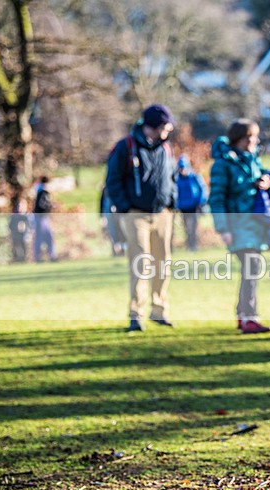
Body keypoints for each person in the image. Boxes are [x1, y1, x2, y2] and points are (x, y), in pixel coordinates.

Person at [105, 104, 177, 332]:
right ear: (153, 126)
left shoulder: (166, 147)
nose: (169, 131)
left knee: (163, 264)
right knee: (140, 263)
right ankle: (136, 313)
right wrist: (125, 207)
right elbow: (112, 181)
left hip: (163, 213)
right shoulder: (125, 146)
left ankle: (159, 310)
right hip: (135, 214)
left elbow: (172, 176)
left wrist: (171, 201)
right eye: (165, 126)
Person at [209, 119, 270, 334]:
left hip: (255, 225)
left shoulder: (253, 160)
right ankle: (249, 316)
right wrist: (223, 229)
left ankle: (243, 315)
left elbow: (265, 186)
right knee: (252, 267)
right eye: (251, 137)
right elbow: (216, 198)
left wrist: (266, 183)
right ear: (240, 139)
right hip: (237, 225)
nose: (255, 141)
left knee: (252, 269)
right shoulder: (222, 165)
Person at [175, 155, 209, 251]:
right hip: (183, 207)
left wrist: (201, 202)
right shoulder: (177, 179)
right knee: (186, 227)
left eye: (184, 168)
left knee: (193, 227)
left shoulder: (194, 176)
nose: (183, 170)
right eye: (181, 168)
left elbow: (203, 189)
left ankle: (194, 246)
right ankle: (189, 245)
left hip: (194, 206)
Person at [33, 176, 57, 262]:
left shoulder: (40, 191)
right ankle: (39, 257)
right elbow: (41, 205)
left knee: (46, 237)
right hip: (41, 217)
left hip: (43, 217)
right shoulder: (43, 192)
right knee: (43, 237)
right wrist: (50, 205)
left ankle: (49, 255)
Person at [100, 185, 126, 257]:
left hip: (118, 213)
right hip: (108, 214)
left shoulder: (118, 187)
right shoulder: (105, 189)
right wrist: (102, 216)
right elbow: (102, 203)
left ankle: (122, 251)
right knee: (112, 233)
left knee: (120, 233)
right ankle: (115, 252)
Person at [9, 191, 31, 263]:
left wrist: (29, 232)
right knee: (17, 247)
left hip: (24, 235)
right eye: (19, 206)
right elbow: (11, 225)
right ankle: (17, 259)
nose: (20, 208)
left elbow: (30, 226)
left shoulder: (27, 216)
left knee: (25, 246)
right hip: (16, 236)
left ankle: (25, 259)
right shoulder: (14, 216)